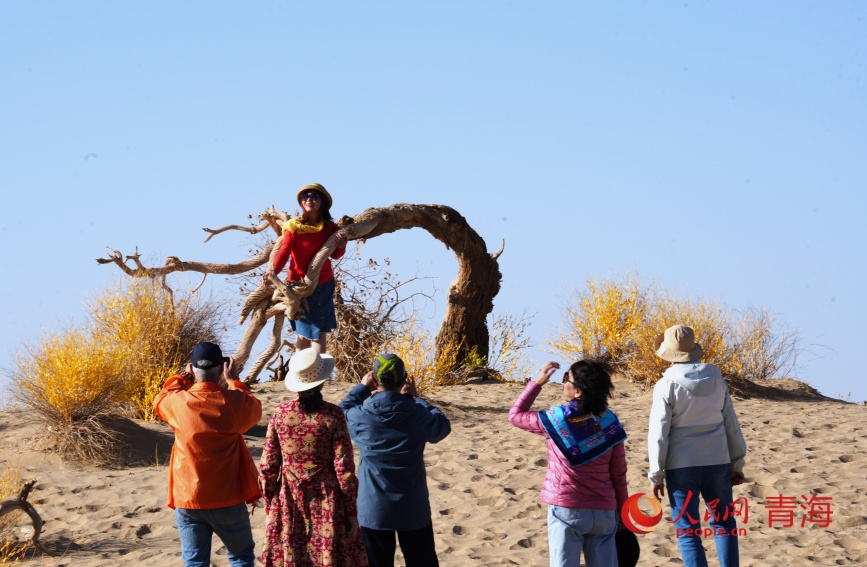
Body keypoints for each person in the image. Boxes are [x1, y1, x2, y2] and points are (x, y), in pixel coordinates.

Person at [508, 360, 628, 567]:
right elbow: (619, 474)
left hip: (567, 509)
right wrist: (623, 514)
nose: (563, 383)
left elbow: (515, 416)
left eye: (566, 379)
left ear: (578, 391)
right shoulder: (610, 422)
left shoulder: (555, 420)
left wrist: (537, 383)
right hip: (604, 512)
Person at [153, 342, 262, 567]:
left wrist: (184, 376)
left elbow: (161, 399)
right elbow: (253, 408)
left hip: (189, 498)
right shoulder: (234, 403)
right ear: (222, 369)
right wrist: (234, 381)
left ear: (193, 369)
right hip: (228, 497)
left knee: (194, 562)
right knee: (240, 557)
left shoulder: (178, 402)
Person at [647, 324, 747, 567]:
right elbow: (730, 424)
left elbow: (659, 432)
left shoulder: (666, 384)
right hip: (717, 461)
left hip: (681, 465)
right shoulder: (717, 379)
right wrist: (737, 462)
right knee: (724, 522)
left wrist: (656, 474)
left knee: (688, 528)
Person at [258, 348, 369, 567]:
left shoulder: (280, 414)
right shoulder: (333, 415)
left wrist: (270, 502)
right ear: (322, 381)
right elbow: (344, 467)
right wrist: (351, 510)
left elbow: (269, 464)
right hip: (327, 500)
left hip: (288, 498)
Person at [339, 353, 451, 567]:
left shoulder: (361, 415)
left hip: (373, 507)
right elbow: (441, 427)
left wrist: (362, 388)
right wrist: (417, 399)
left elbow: (340, 411)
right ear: (405, 379)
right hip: (413, 506)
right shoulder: (417, 413)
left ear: (374, 378)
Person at [266, 183, 347, 353]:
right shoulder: (294, 227)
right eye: (305, 196)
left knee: (319, 333)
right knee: (303, 333)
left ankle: (318, 374)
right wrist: (271, 274)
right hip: (298, 286)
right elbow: (284, 252)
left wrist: (341, 246)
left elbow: (335, 255)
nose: (309, 199)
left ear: (322, 202)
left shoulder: (330, 228)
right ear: (301, 202)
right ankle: (301, 374)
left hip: (323, 284)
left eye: (314, 196)